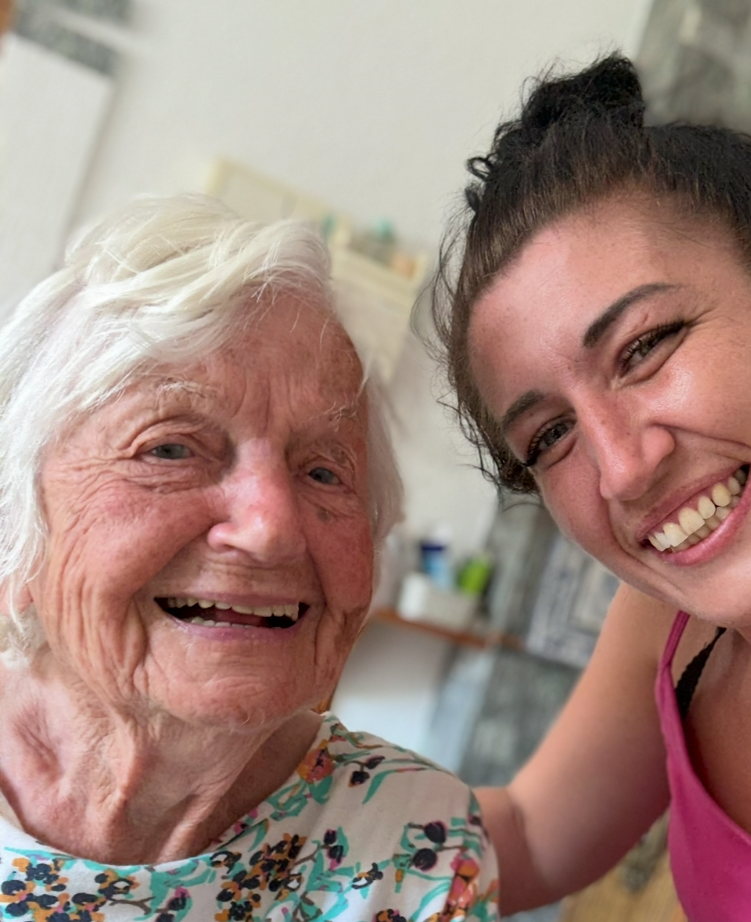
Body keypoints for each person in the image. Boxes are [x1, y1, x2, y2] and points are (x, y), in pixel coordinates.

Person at [433, 51, 751, 920]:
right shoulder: (675, 624)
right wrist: (266, 802)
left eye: (645, 347)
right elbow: (534, 839)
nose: (623, 469)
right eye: (550, 436)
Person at [0, 193, 498, 922]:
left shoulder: (414, 849)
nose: (272, 528)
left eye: (324, 471)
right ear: (17, 529)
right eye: (170, 449)